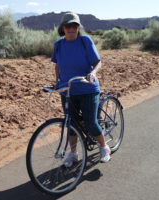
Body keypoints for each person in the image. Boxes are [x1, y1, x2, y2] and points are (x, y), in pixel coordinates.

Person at [51, 12, 111, 166]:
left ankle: (104, 147)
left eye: (75, 25)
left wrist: (92, 72)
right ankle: (74, 154)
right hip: (68, 90)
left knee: (90, 122)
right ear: (63, 28)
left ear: (78, 27)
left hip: (87, 88)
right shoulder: (58, 44)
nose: (71, 28)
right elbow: (57, 65)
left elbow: (98, 62)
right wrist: (56, 82)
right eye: (68, 25)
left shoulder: (85, 41)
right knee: (71, 123)